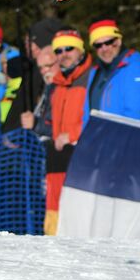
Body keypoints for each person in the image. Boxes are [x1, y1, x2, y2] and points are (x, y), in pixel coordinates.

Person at [38, 29, 93, 235]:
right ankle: (53, 241)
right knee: (54, 206)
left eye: (69, 48)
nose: (64, 54)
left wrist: (72, 135)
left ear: (80, 50)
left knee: (76, 210)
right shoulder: (57, 83)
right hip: (57, 154)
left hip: (81, 153)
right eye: (58, 51)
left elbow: (96, 115)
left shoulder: (90, 77)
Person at [84, 19, 140, 121]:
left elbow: (136, 115)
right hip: (99, 135)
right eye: (98, 45)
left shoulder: (135, 67)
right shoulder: (95, 72)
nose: (104, 49)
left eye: (108, 42)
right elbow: (86, 114)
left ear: (118, 41)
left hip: (126, 135)